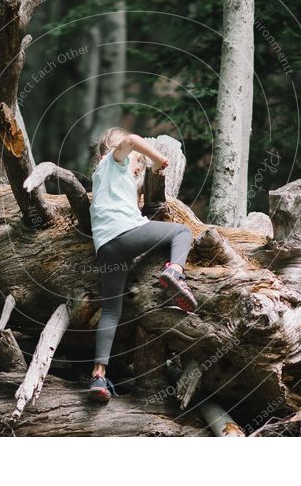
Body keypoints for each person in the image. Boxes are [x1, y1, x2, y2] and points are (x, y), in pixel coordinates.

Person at [87, 127, 196, 403]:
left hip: (106, 248)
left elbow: (128, 190)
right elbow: (134, 140)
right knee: (182, 232)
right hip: (126, 234)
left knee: (111, 309)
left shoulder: (102, 177)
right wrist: (159, 159)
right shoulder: (113, 159)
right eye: (138, 160)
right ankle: (174, 273)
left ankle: (98, 375)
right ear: (115, 147)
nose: (138, 165)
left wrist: (148, 176)